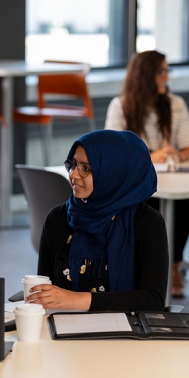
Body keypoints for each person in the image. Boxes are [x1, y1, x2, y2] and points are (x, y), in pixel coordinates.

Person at [29, 129, 168, 311]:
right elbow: (44, 291)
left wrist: (73, 300)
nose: (73, 175)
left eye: (86, 168)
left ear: (114, 173)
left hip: (124, 333)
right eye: (73, 164)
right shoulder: (58, 217)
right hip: (62, 330)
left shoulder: (146, 222)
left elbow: (152, 301)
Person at [104, 50, 189, 297]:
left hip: (170, 178)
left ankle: (173, 266)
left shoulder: (175, 104)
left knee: (182, 208)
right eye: (162, 71)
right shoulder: (121, 105)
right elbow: (111, 151)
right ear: (146, 75)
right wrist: (148, 156)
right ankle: (151, 270)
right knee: (148, 209)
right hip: (132, 185)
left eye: (168, 71)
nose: (166, 77)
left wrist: (175, 155)